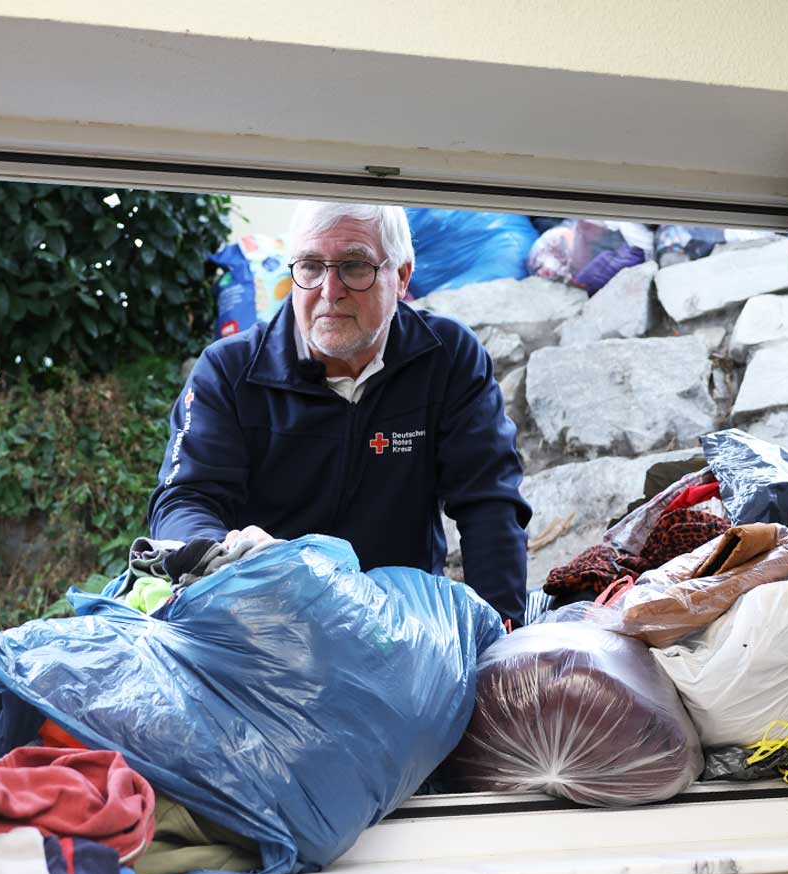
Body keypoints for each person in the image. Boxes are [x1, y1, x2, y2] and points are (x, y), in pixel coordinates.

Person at [147, 200, 531, 626]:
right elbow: (185, 498)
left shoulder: (446, 358)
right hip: (261, 622)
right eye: (311, 266)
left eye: (354, 266)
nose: (329, 291)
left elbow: (489, 504)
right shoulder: (229, 371)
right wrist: (220, 554)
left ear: (401, 276)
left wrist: (501, 637)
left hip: (399, 630)